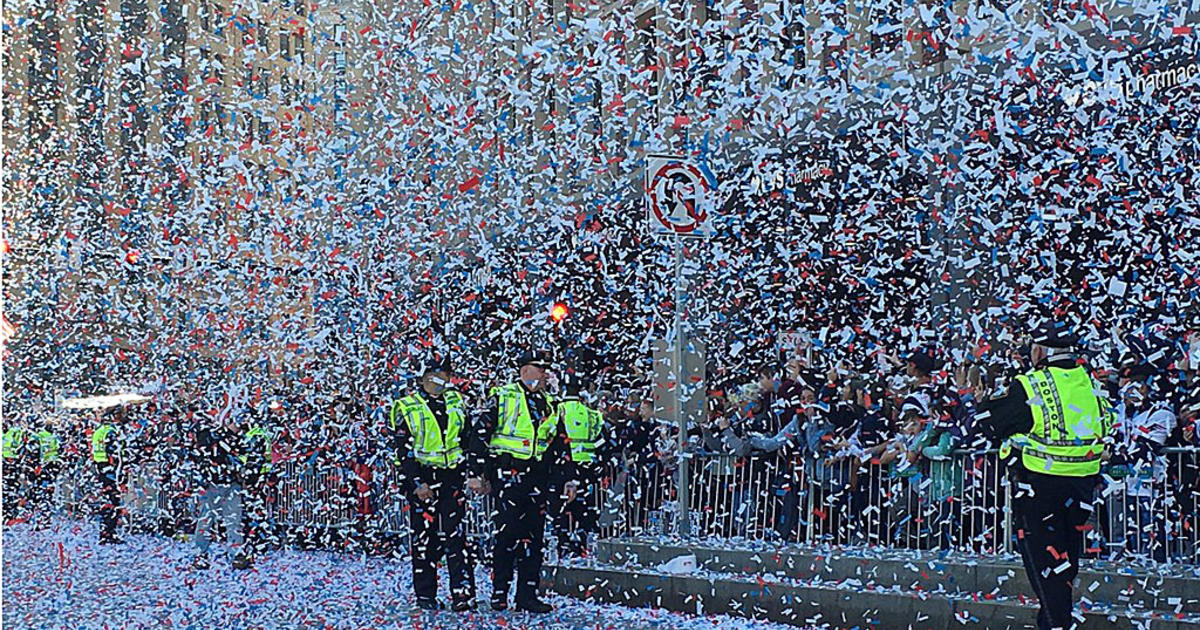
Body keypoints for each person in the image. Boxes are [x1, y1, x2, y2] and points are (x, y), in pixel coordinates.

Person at [976, 320, 1114, 630]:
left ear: (1039, 351)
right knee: (1066, 560)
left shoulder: (1031, 384)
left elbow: (991, 424)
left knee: (1044, 561)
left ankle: (1056, 624)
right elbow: (1107, 426)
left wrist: (984, 400)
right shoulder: (1091, 384)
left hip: (1041, 484)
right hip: (1082, 485)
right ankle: (1051, 620)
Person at [389, 358, 485, 612]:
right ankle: (425, 595)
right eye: (435, 375)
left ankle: (463, 594)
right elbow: (402, 451)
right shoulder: (407, 407)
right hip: (423, 478)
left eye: (445, 375)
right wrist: (417, 483)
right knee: (424, 540)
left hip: (451, 476)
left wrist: (474, 472)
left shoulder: (456, 402)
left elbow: (467, 439)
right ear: (423, 378)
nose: (441, 380)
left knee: (457, 538)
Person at [477, 350, 558, 613]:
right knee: (508, 534)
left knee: (533, 539)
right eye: (540, 367)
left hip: (537, 476)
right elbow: (480, 434)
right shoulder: (503, 397)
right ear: (525, 370)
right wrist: (480, 473)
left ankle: (527, 595)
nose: (545, 373)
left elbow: (557, 444)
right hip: (508, 474)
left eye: (546, 368)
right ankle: (500, 591)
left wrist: (566, 479)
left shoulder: (549, 403)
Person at [544, 374, 607, 558]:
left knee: (561, 509)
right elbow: (601, 439)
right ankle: (583, 546)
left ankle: (562, 545)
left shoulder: (557, 410)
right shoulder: (591, 413)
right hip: (587, 467)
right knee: (584, 509)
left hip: (562, 467)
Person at [191, 409, 250, 570]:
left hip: (232, 482)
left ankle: (237, 553)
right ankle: (201, 553)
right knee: (206, 519)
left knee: (234, 519)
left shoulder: (235, 434)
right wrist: (227, 431)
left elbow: (242, 452)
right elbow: (206, 443)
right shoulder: (203, 428)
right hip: (211, 483)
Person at [91, 407, 126, 544]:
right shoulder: (110, 432)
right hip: (109, 469)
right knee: (114, 501)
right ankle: (108, 533)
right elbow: (113, 452)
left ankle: (105, 532)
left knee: (108, 500)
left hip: (100, 466)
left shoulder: (98, 431)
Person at [30, 418, 63, 528]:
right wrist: (36, 465)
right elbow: (34, 451)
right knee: (42, 492)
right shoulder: (40, 435)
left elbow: (59, 450)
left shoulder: (54, 436)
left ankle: (45, 517)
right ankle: (42, 518)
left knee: (48, 492)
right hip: (43, 466)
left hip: (52, 466)